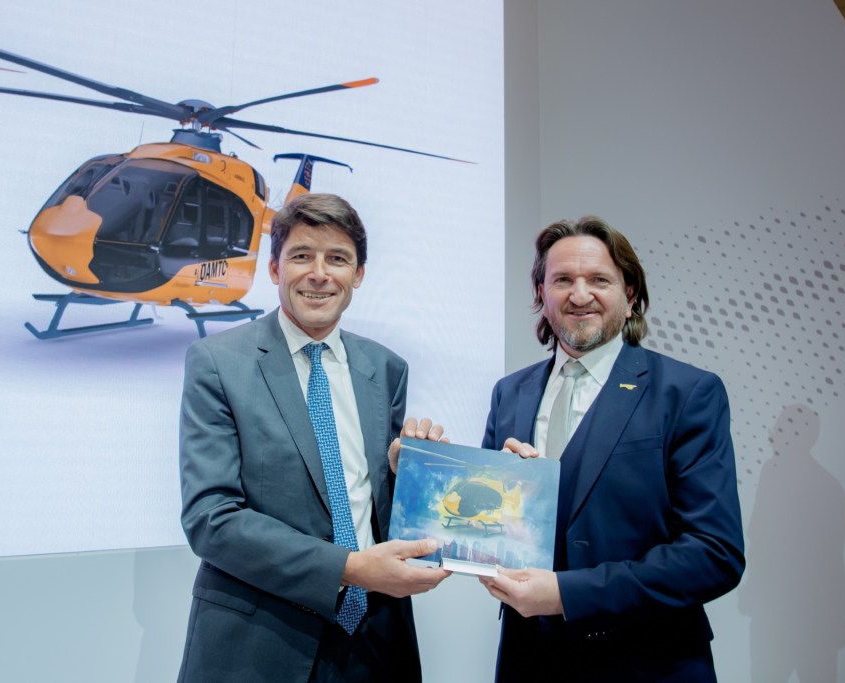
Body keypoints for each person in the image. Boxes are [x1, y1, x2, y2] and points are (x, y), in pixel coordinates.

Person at [176, 192, 451, 683]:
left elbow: (373, 507)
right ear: (275, 269)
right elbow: (211, 519)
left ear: (358, 275)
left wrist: (408, 473)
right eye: (302, 255)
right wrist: (349, 567)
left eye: (338, 259)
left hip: (375, 640)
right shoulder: (217, 362)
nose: (319, 274)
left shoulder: (386, 368)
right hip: (261, 643)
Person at [478, 216, 745, 682]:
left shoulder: (687, 393)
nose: (580, 295)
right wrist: (422, 468)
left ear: (631, 293)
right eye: (562, 280)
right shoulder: (509, 393)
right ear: (541, 293)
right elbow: (487, 530)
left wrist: (567, 594)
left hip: (648, 665)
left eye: (599, 280)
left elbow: (714, 553)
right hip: (528, 662)